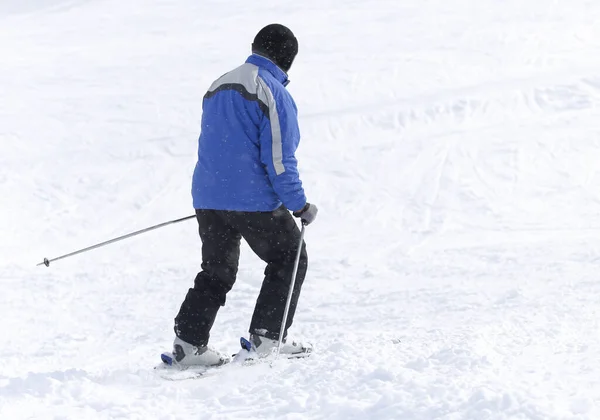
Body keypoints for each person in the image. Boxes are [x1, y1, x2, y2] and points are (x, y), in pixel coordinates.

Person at [167, 24, 318, 367]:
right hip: (252, 200)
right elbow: (279, 159)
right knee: (290, 256)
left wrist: (216, 195)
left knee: (217, 270)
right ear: (288, 59)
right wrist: (300, 205)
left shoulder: (217, 85)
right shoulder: (273, 92)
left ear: (254, 47)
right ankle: (267, 338)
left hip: (208, 197)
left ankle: (187, 346)